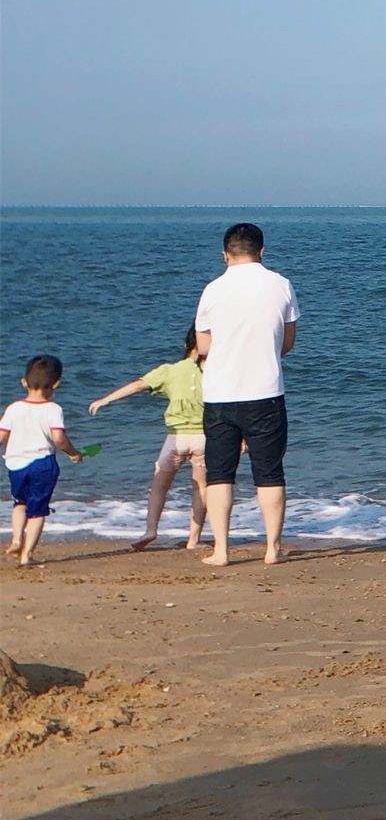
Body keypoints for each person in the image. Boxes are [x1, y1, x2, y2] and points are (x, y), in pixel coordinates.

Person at [194, 223, 299, 568]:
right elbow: (287, 343)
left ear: (225, 254)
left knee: (219, 473)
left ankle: (222, 550)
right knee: (269, 471)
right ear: (262, 252)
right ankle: (272, 548)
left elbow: (203, 346)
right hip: (266, 390)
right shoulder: (280, 284)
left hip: (220, 392)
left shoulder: (213, 289)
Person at [89, 327, 209, 551]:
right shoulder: (214, 371)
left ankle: (151, 530)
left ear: (186, 346)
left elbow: (138, 385)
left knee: (159, 487)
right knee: (201, 488)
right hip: (204, 438)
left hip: (176, 438)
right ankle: (194, 539)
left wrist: (106, 400)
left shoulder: (169, 370)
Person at [2, 355, 84, 567]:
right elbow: (58, 438)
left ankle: (16, 539)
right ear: (55, 384)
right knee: (38, 510)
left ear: (24, 381)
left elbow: (1, 436)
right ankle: (27, 554)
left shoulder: (14, 408)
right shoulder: (53, 409)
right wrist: (73, 452)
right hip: (42, 463)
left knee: (19, 503)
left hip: (15, 463)